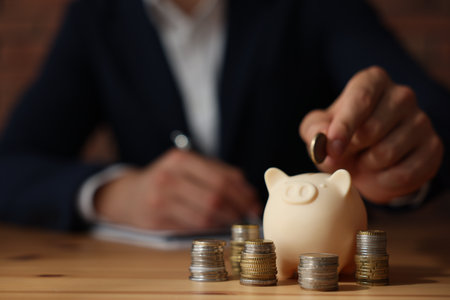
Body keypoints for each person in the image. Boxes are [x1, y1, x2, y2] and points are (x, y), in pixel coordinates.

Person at [0, 0, 448, 231]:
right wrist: (112, 194)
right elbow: (10, 164)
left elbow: (433, 114)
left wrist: (400, 153)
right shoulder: (97, 16)